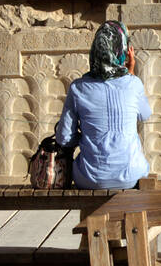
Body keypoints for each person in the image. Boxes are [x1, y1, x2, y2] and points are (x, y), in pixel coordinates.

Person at [54, 21, 152, 189]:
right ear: (123, 51)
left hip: (90, 178)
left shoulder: (78, 88)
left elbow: (64, 137)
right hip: (131, 175)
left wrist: (87, 136)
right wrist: (131, 72)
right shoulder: (133, 83)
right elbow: (145, 115)